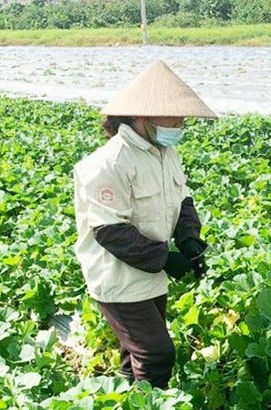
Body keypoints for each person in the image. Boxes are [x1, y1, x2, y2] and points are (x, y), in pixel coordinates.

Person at [73, 61, 216, 388]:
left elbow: (182, 201)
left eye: (183, 117)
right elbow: (111, 232)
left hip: (151, 271)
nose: (180, 123)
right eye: (173, 115)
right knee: (156, 354)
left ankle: (127, 401)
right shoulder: (108, 164)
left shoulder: (165, 151)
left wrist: (189, 240)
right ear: (141, 115)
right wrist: (165, 259)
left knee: (135, 349)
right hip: (118, 276)